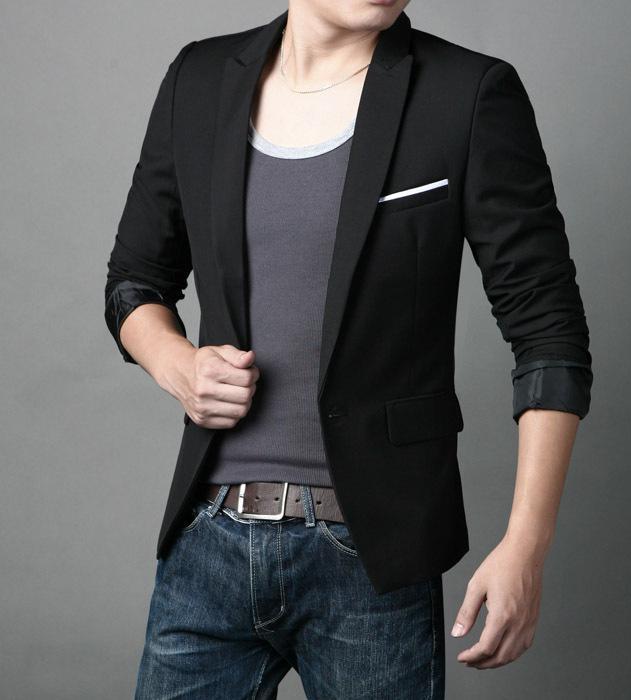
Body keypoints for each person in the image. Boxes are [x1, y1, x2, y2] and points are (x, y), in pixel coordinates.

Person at [104, 1, 593, 697]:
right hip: (207, 539)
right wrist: (176, 363)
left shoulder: (467, 93)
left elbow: (549, 331)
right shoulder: (200, 78)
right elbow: (134, 280)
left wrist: (528, 544)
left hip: (371, 558)